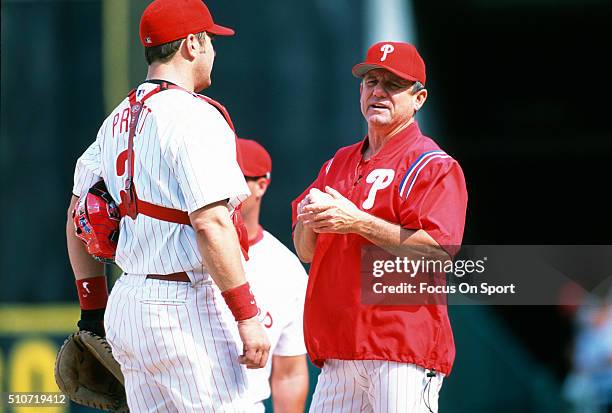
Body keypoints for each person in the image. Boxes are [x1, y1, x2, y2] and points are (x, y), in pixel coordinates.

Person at [66, 0, 270, 411]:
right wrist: (247, 316)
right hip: (185, 306)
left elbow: (77, 217)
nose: (214, 50)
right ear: (192, 44)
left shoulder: (116, 120)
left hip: (130, 302)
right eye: (210, 39)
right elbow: (211, 223)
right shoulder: (193, 116)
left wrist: (92, 311)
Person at [292, 41, 468, 412]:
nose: (378, 91)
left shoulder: (433, 165)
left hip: (401, 349)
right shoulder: (337, 163)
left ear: (419, 98)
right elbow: (306, 251)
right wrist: (310, 221)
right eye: (372, 81)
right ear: (360, 91)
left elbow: (439, 251)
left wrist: (357, 222)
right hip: (340, 350)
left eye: (393, 84)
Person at [220, 138, 309, 412]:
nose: (221, 186)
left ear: (261, 185)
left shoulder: (285, 267)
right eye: (216, 174)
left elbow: (290, 371)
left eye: (235, 178)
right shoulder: (180, 247)